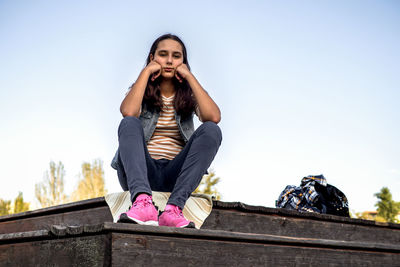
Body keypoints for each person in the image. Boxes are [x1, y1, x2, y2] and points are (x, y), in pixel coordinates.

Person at [111, 34, 222, 228]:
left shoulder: (189, 94)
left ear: (184, 62)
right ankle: (142, 203)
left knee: (212, 130)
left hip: (175, 175)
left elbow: (213, 117)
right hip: (141, 173)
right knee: (129, 123)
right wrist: (145, 73)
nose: (170, 61)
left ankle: (172, 210)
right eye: (163, 54)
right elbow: (128, 112)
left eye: (176, 56)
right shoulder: (142, 90)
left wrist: (189, 77)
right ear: (153, 57)